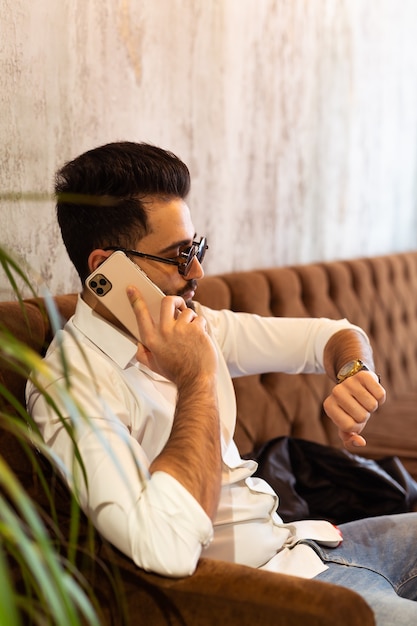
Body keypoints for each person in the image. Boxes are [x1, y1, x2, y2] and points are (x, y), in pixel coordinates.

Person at [26, 141, 417, 625]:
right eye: (178, 256)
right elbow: (163, 547)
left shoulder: (194, 322)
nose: (197, 272)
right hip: (277, 597)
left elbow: (334, 334)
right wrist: (194, 379)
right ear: (104, 269)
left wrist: (353, 371)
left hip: (311, 552)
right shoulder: (72, 386)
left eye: (197, 248)